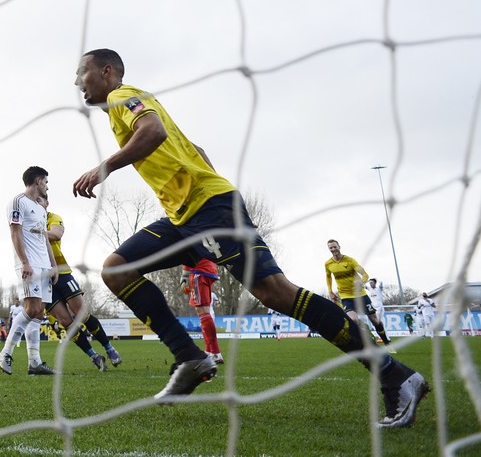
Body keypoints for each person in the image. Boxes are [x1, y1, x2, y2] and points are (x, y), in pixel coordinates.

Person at [71, 48, 428, 428]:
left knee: (277, 293)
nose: (79, 81)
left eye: (83, 72)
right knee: (116, 270)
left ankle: (394, 373)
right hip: (187, 215)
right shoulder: (124, 107)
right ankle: (189, 356)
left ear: (106, 72)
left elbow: (154, 131)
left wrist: (106, 166)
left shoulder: (121, 96)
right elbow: (195, 150)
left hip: (210, 210)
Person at [39, 196, 122, 371]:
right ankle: (94, 356)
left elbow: (56, 233)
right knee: (65, 321)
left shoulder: (53, 218)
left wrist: (35, 233)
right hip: (42, 280)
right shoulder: (26, 222)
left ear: (47, 203)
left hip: (62, 273)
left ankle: (109, 348)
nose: (37, 203)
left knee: (82, 315)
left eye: (41, 200)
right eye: (34, 201)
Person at [0, 166, 58, 376]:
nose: (48, 186)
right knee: (31, 309)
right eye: (46, 182)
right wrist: (24, 262)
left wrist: (53, 265)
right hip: (29, 264)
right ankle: (5, 352)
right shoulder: (17, 202)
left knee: (39, 312)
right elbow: (15, 233)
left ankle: (35, 362)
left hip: (44, 265)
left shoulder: (41, 209)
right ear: (38, 181)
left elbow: (44, 238)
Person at [325, 240, 394, 349]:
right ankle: (365, 341)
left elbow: (365, 274)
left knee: (374, 320)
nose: (333, 249)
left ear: (339, 246)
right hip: (346, 296)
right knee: (353, 320)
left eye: (334, 247)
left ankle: (387, 342)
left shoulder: (350, 261)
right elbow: (328, 277)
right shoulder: (328, 264)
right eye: (331, 248)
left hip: (360, 295)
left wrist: (361, 281)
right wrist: (330, 291)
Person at [180, 259, 223, 364]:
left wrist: (185, 275)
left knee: (202, 311)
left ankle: (215, 352)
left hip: (199, 270)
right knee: (205, 311)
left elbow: (188, 251)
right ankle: (209, 351)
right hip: (209, 268)